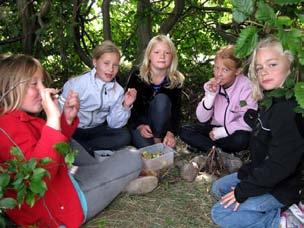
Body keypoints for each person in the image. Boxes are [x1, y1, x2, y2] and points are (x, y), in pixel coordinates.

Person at [0, 54, 141, 227]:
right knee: (132, 156)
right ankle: (118, 181)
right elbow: (37, 180)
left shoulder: (19, 118)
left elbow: (56, 145)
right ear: (11, 87)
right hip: (63, 209)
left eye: (42, 82)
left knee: (72, 143)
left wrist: (66, 119)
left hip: (65, 181)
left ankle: (113, 179)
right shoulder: (6, 128)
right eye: (34, 84)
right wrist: (52, 119)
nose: (44, 89)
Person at [211, 37, 304, 227]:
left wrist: (243, 191)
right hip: (263, 173)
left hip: (283, 186)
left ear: (290, 64)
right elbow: (262, 149)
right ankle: (274, 209)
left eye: (272, 64)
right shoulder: (269, 100)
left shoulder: (289, 110)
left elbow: (280, 165)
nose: (264, 72)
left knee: (219, 213)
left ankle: (285, 221)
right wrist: (246, 175)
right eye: (260, 68)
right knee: (218, 188)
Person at [59, 40, 137, 156]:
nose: (111, 69)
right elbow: (60, 112)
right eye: (106, 63)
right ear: (95, 62)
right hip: (75, 129)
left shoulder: (118, 91)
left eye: (115, 65)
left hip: (98, 130)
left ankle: (84, 149)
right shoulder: (77, 84)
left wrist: (125, 105)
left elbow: (114, 124)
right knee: (63, 140)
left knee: (124, 136)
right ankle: (83, 149)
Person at [180, 45, 257, 154]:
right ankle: (219, 153)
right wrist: (210, 96)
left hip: (233, 132)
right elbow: (202, 118)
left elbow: (248, 119)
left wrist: (224, 131)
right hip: (215, 130)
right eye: (216, 67)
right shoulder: (213, 85)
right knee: (185, 130)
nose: (219, 74)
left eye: (225, 70)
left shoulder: (246, 87)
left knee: (242, 139)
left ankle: (209, 148)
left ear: (237, 71)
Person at [126, 34, 185, 148]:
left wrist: (171, 133)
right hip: (141, 125)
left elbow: (176, 111)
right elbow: (129, 106)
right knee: (147, 149)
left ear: (172, 57)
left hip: (162, 128)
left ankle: (158, 140)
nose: (162, 56)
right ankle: (151, 144)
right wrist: (139, 126)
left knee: (162, 99)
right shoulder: (137, 76)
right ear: (149, 55)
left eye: (167, 53)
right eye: (157, 52)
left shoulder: (175, 80)